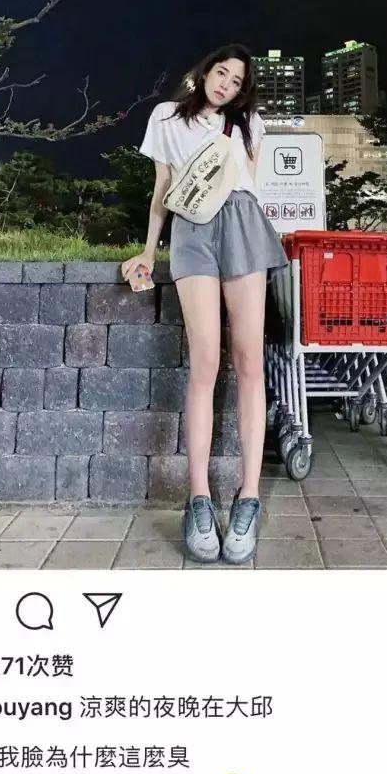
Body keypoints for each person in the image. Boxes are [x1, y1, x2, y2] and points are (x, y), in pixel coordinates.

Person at [123, 44, 287, 565]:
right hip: (192, 230)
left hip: (242, 224)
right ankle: (197, 498)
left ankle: (249, 497)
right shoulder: (166, 117)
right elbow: (163, 188)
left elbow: (249, 186)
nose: (226, 85)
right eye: (222, 73)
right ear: (205, 71)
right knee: (205, 363)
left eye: (237, 81)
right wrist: (148, 250)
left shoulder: (248, 124)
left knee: (249, 360)